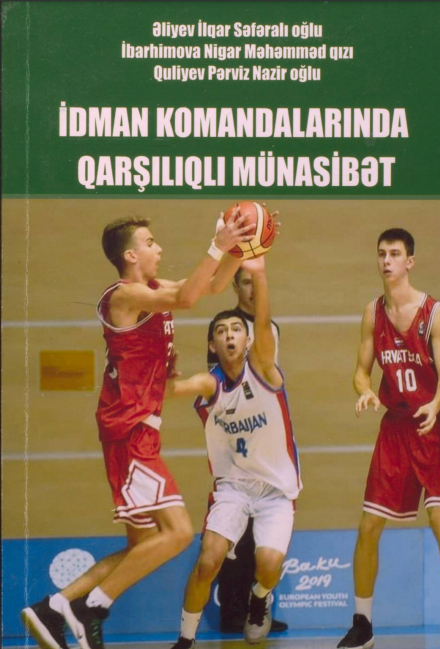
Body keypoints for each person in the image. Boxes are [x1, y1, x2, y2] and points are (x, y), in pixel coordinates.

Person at [21, 212, 254, 649]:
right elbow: (188, 297)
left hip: (136, 429)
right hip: (130, 430)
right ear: (130, 255)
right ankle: (91, 607)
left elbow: (210, 286)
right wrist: (217, 244)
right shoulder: (125, 295)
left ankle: (53, 608)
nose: (158, 248)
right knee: (179, 533)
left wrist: (242, 246)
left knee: (143, 543)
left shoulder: (151, 291)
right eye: (150, 242)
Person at [338, 229, 440, 649]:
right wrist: (365, 391)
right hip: (395, 429)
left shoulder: (434, 312)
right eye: (382, 253)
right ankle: (362, 624)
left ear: (410, 261)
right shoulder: (371, 313)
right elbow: (361, 371)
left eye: (395, 253)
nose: (387, 260)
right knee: (368, 525)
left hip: (435, 428)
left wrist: (435, 403)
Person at [166, 256, 302, 647]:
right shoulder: (209, 384)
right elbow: (174, 390)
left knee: (268, 565)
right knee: (208, 560)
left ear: (248, 340)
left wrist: (260, 273)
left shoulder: (265, 371)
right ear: (213, 344)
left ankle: (261, 597)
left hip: (276, 488)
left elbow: (264, 321)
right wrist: (161, 374)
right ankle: (185, 640)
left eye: (236, 330)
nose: (229, 335)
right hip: (233, 488)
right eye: (221, 331)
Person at [207, 265, 286, 634]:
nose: (252, 289)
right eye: (245, 283)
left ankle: (260, 607)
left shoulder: (270, 329)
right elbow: (218, 388)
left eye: (257, 283)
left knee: (265, 534)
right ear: (235, 287)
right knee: (234, 535)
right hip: (236, 444)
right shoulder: (225, 328)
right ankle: (232, 613)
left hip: (266, 445)